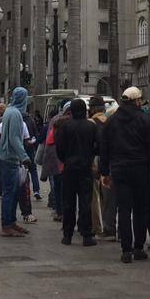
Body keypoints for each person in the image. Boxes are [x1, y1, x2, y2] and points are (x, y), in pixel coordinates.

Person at [102, 87, 150, 264]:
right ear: (137, 101)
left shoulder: (111, 121)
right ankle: (138, 248)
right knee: (140, 210)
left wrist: (105, 172)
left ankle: (126, 250)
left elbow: (104, 149)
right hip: (141, 169)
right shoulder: (145, 119)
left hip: (119, 170)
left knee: (124, 209)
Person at [56, 98, 98, 246]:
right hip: (85, 167)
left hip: (69, 168)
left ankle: (67, 235)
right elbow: (97, 146)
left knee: (68, 201)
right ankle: (86, 234)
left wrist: (66, 159)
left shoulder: (65, 127)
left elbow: (59, 148)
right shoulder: (91, 126)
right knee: (85, 201)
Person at [0, 88, 30, 237]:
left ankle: (11, 221)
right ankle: (6, 224)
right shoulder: (16, 114)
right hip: (10, 158)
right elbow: (15, 138)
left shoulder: (9, 111)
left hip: (5, 156)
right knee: (10, 192)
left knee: (13, 192)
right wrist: (24, 156)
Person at [90, 95, 114, 237]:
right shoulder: (110, 122)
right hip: (110, 160)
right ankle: (109, 225)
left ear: (92, 109)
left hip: (95, 159)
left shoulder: (91, 123)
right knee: (108, 195)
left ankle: (97, 226)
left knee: (94, 195)